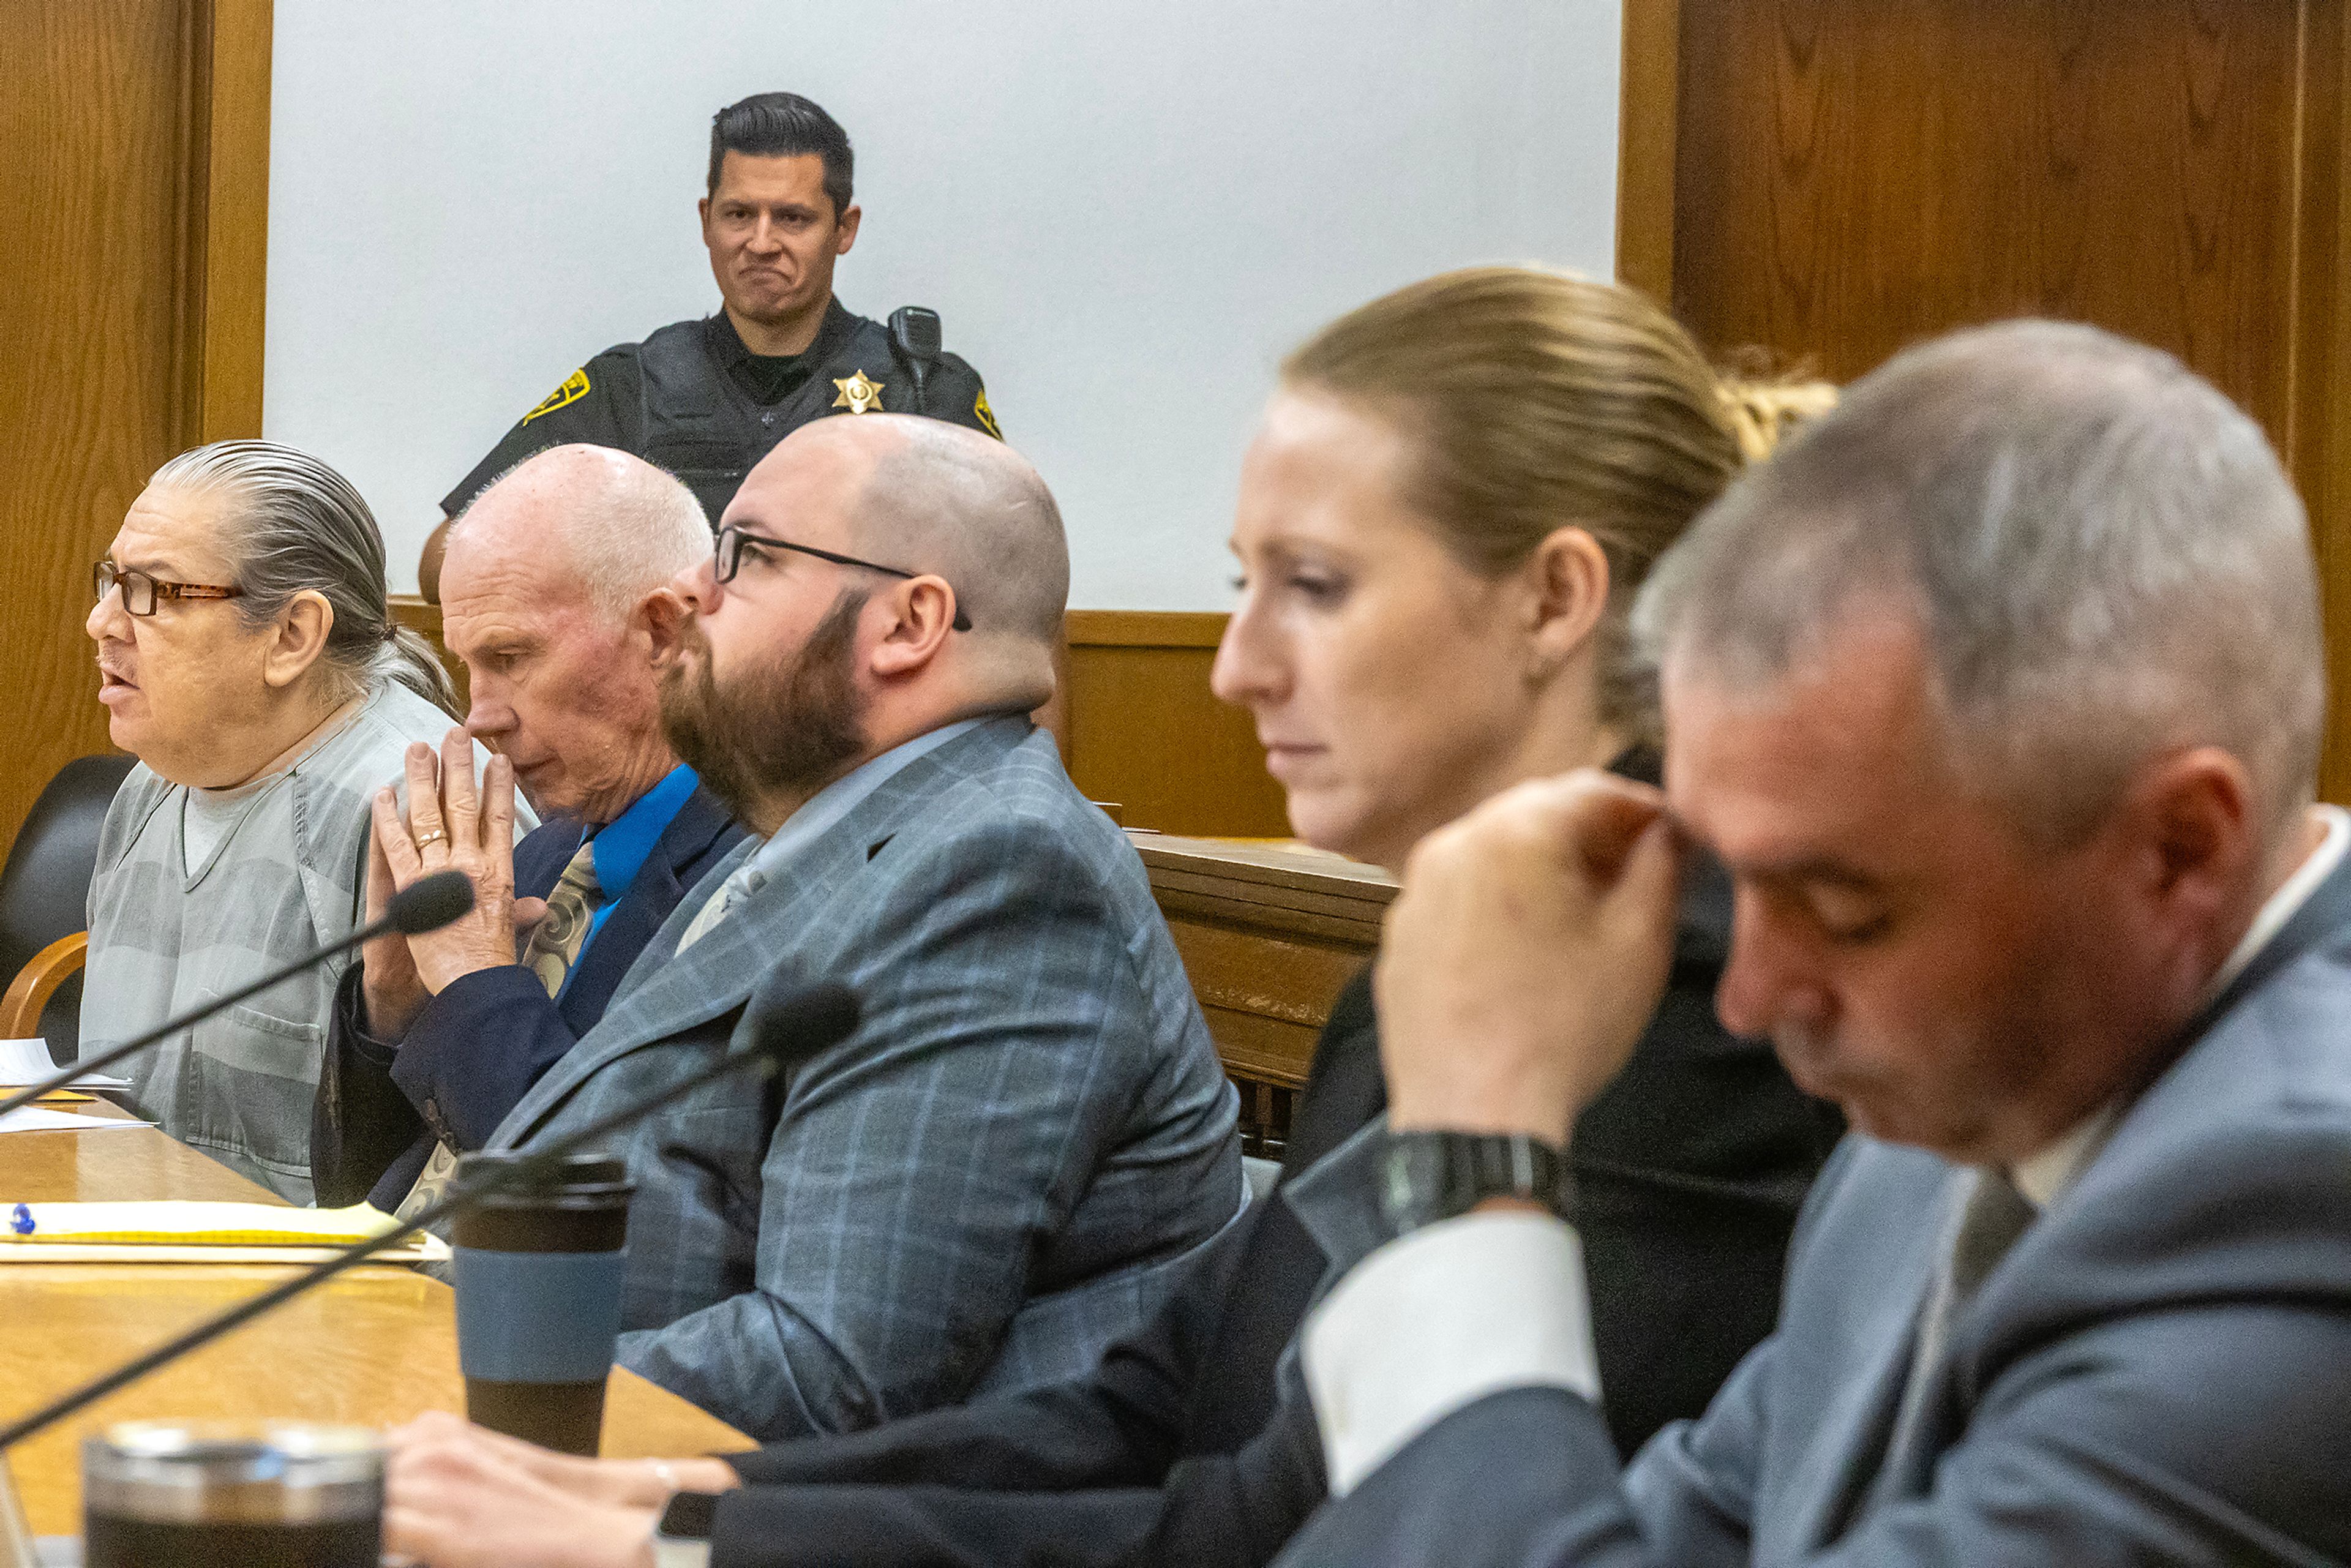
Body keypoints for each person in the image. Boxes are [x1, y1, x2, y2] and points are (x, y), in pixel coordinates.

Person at [378, 269, 1842, 1568]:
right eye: (1240, 589)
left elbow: (1312, 1513)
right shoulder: (1476, 941)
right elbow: (1165, 1401)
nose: (1237, 668)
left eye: (1313, 587)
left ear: (1553, 599)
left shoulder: (1696, 978)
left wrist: (666, 1529)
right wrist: (666, 1511)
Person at [1274, 320, 2351, 1566]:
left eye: (1846, 910)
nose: (1749, 993)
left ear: (2178, 849)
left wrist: (1478, 1156)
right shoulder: (1942, 1134)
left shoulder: (2299, 1207)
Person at [379, 411, 1240, 1446]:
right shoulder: (824, 827)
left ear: (908, 623)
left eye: (747, 558)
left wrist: (425, 1375)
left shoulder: (999, 869)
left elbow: (828, 1371)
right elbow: (575, 1154)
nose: (694, 594)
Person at [311, 446, 750, 1213]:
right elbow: (355, 1187)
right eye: (470, 666)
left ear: (661, 632)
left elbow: (609, 1204)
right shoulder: (541, 851)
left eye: (510, 657)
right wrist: (394, 1001)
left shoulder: (757, 874)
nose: (480, 714)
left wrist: (477, 984)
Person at [80, 439, 500, 1203]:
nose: (101, 621)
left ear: (293, 635)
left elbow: (458, 1160)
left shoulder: (416, 807)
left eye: (152, 591)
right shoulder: (147, 789)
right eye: (111, 581)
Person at [420, 91, 999, 599]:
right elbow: (444, 560)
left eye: (793, 218)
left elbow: (1020, 597)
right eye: (739, 214)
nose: (761, 242)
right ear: (706, 221)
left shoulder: (924, 392)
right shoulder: (630, 388)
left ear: (844, 229)